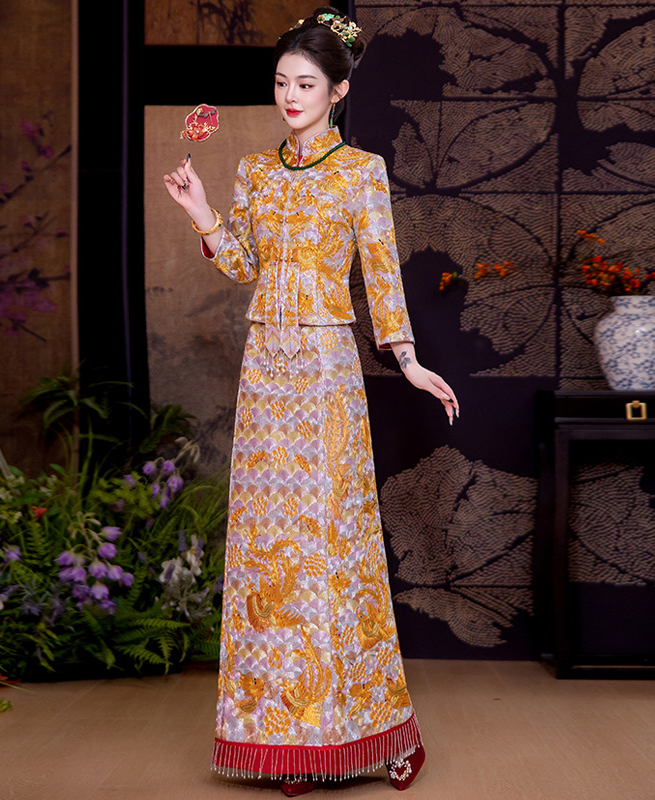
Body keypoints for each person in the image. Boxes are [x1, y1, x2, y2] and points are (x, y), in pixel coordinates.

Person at [164, 8, 459, 796]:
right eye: (281, 83)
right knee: (270, 554)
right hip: (266, 371)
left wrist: (409, 361)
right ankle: (290, 740)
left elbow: (381, 274)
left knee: (334, 552)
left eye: (305, 84)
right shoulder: (255, 172)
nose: (290, 96)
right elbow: (242, 263)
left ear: (338, 91)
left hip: (328, 372)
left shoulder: (361, 172)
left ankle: (381, 733)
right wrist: (199, 210)